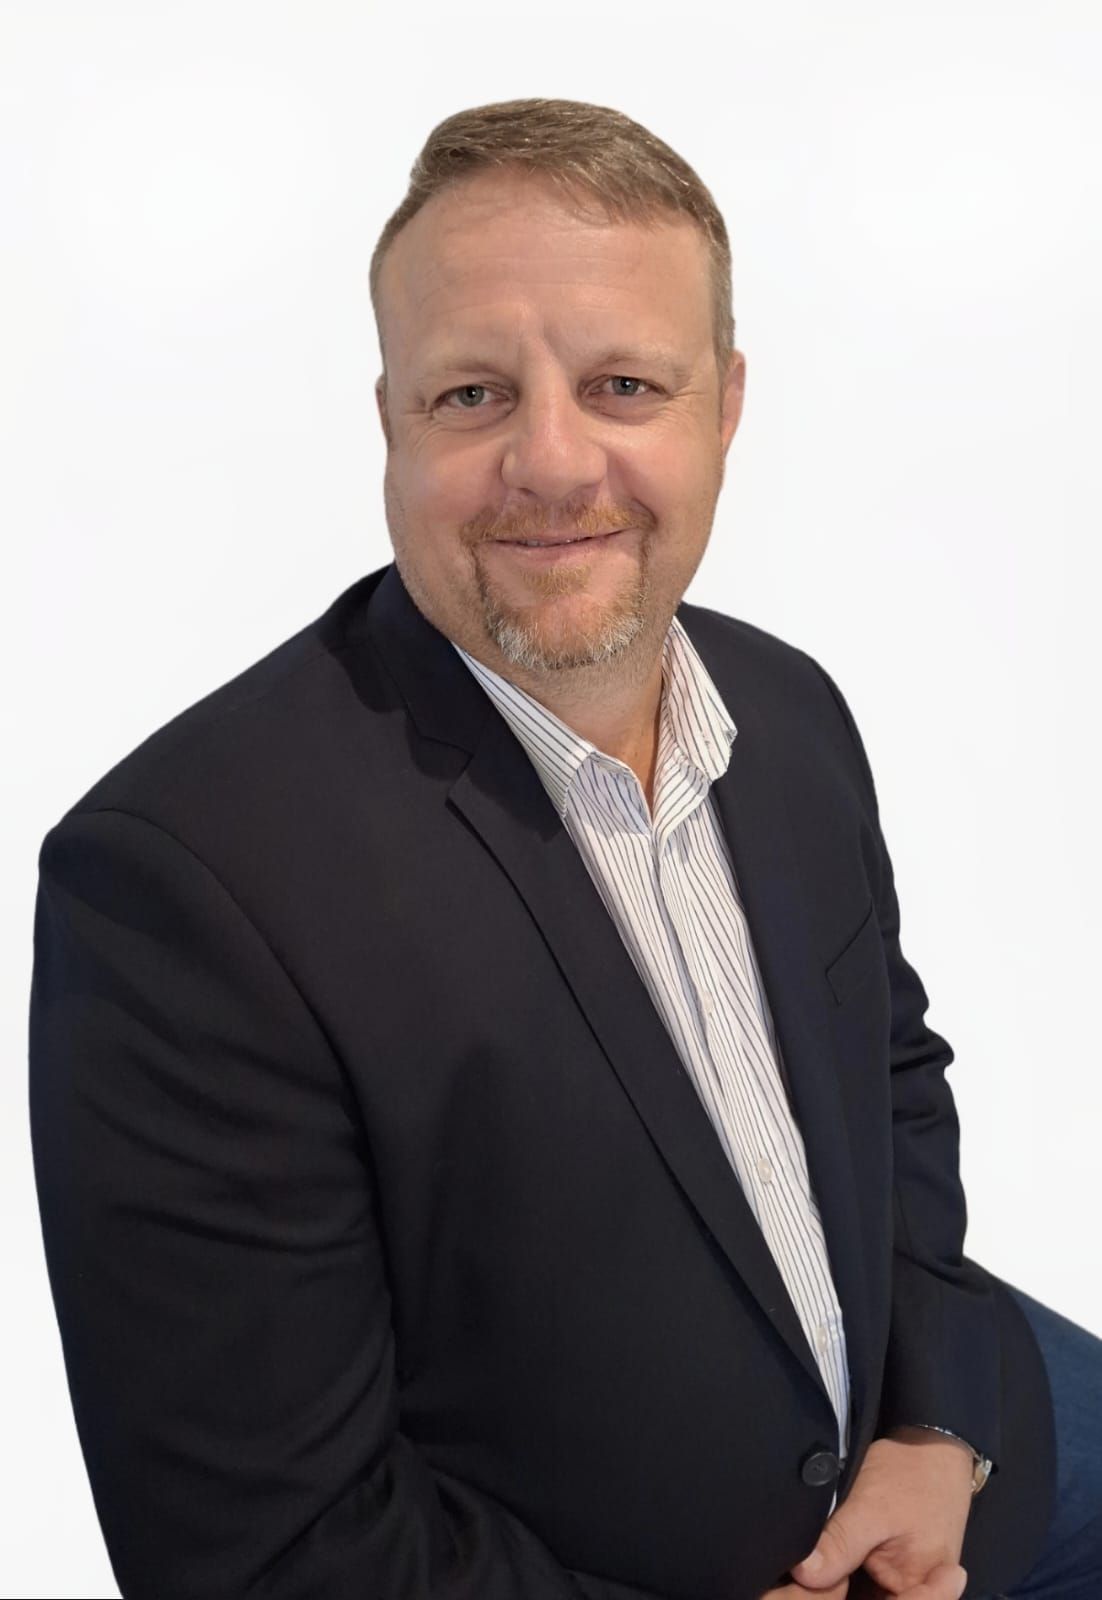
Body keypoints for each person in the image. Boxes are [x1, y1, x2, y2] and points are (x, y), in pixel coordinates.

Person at [28, 98, 1101, 1600]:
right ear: (390, 419)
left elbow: (888, 1084)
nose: (549, 461)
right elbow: (266, 1555)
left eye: (621, 384)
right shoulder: (181, 883)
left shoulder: (787, 711)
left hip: (954, 1455)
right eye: (471, 394)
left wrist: (941, 1420)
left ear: (722, 408)